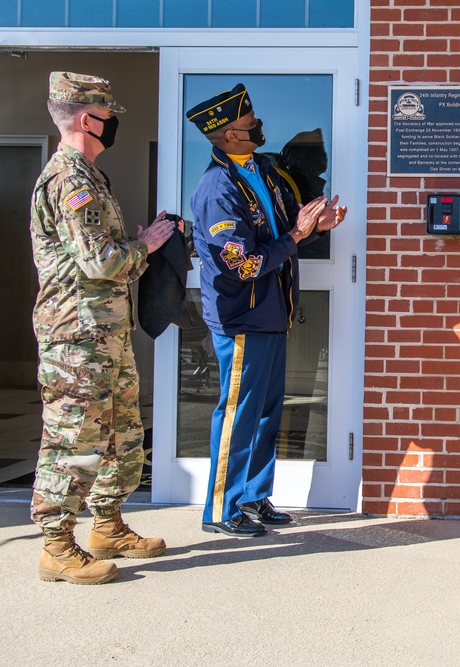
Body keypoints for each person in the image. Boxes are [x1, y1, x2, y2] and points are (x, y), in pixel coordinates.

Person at [30, 72, 179, 584]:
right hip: (76, 336)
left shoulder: (91, 177)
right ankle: (56, 548)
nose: (112, 121)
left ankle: (108, 526)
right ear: (86, 118)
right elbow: (101, 263)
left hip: (104, 332)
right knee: (74, 437)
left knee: (119, 431)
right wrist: (149, 244)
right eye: (107, 114)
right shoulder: (70, 180)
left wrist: (134, 249)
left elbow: (105, 259)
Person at [185, 84, 346, 538]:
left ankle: (253, 496)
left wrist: (317, 226)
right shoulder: (217, 189)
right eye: (251, 123)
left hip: (273, 312)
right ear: (229, 135)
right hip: (242, 317)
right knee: (238, 413)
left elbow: (286, 228)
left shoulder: (264, 172)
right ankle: (221, 509)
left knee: (264, 412)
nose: (259, 126)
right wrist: (297, 236)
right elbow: (245, 263)